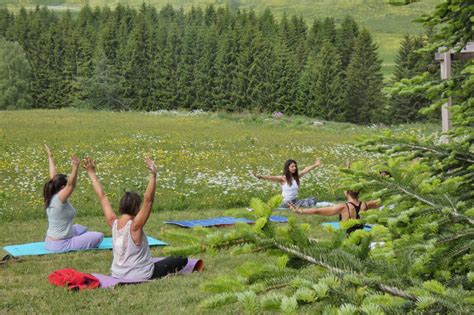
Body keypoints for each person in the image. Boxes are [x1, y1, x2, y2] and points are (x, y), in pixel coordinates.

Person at [82, 156, 188, 281]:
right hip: (140, 275)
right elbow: (148, 200)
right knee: (181, 257)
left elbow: (102, 197)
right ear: (137, 208)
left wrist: (91, 173)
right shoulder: (135, 226)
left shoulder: (113, 223)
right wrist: (153, 176)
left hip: (117, 274)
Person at [43, 145, 104, 252]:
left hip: (49, 241)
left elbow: (53, 176)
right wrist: (75, 167)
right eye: (66, 183)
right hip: (61, 244)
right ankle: (75, 240)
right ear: (62, 187)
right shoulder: (59, 199)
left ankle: (76, 237)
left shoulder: (52, 193)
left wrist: (50, 157)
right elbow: (71, 185)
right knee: (98, 236)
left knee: (81, 228)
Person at [290, 190, 380, 234]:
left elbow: (318, 211)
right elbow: (379, 201)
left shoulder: (343, 207)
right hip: (360, 237)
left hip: (347, 239)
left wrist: (300, 210)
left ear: (346, 193)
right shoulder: (364, 205)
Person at [253, 158, 322, 208]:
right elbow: (270, 177)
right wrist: (259, 176)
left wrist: (316, 164)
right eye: (292, 166)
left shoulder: (296, 177)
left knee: (313, 200)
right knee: (307, 204)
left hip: (294, 201)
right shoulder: (283, 178)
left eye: (295, 166)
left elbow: (306, 169)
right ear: (287, 168)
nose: (294, 168)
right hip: (285, 203)